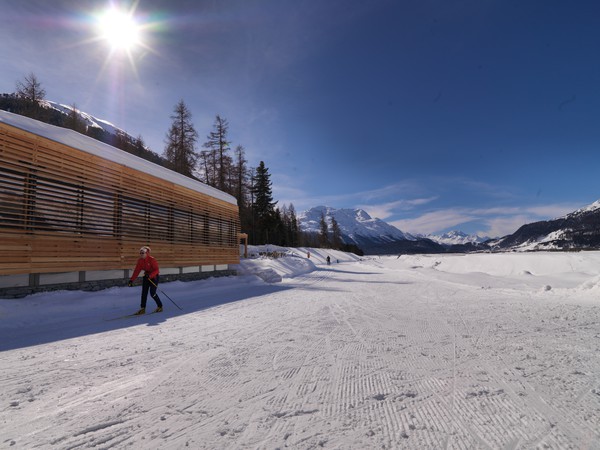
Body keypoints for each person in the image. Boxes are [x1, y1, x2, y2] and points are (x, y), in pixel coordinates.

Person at [128, 246, 163, 315]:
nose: (141, 254)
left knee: (152, 293)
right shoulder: (140, 260)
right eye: (140, 253)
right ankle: (142, 309)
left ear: (146, 253)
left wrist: (150, 276)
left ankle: (160, 306)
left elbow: (157, 270)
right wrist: (131, 280)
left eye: (143, 253)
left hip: (154, 277)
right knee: (144, 293)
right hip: (146, 277)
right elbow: (137, 271)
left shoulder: (152, 259)